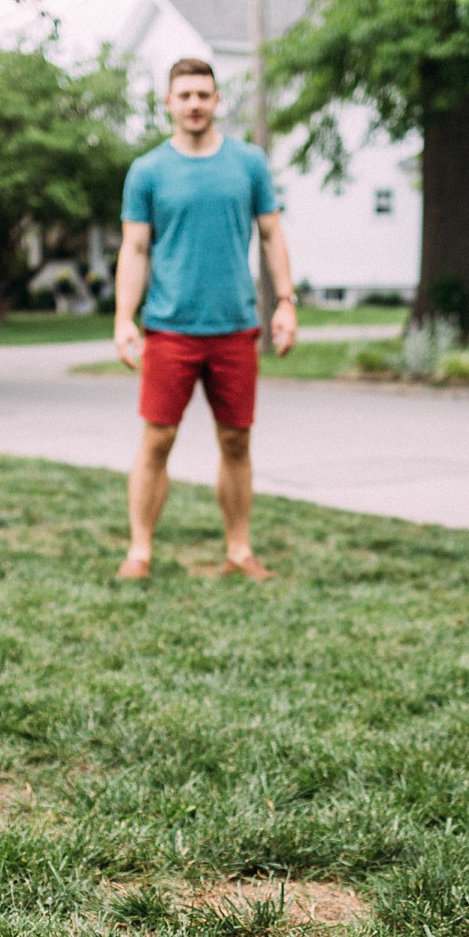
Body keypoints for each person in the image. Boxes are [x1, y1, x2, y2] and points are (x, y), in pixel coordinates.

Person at [113, 57, 298, 581]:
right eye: (184, 95)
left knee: (236, 441)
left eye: (203, 94)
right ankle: (140, 550)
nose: (194, 104)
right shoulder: (147, 171)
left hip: (236, 327)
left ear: (217, 101)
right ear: (168, 103)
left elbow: (271, 234)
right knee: (158, 439)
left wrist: (285, 301)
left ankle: (239, 550)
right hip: (170, 328)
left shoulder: (249, 164)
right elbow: (135, 247)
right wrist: (125, 318)